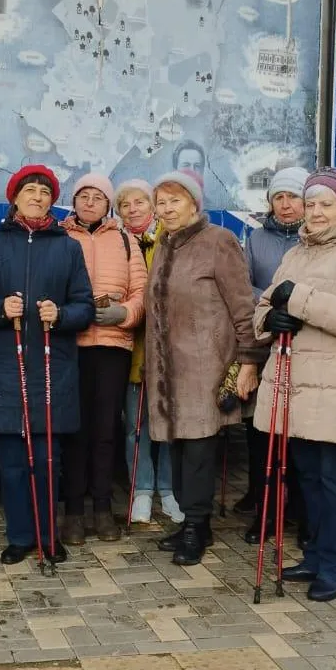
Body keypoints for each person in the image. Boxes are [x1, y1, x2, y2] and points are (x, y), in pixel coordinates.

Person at [253, 168, 336, 603]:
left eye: (325, 204)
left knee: (335, 480)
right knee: (308, 477)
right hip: (297, 385)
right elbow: (267, 302)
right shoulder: (298, 251)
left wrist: (297, 300)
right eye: (310, 204)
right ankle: (315, 555)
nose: (315, 212)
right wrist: (270, 320)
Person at [0, 165, 95, 565]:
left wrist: (62, 314)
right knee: (11, 464)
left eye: (45, 192)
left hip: (51, 368)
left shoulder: (68, 247)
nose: (38, 197)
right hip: (4, 368)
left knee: (47, 462)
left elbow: (85, 306)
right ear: (15, 198)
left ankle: (48, 536)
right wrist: (0, 309)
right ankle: (20, 537)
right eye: (30, 191)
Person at [145, 169, 261, 566]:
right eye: (160, 202)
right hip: (167, 369)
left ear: (194, 203)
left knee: (198, 448)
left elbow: (243, 306)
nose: (166, 209)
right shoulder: (164, 244)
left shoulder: (219, 241)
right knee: (178, 447)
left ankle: (196, 525)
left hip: (205, 368)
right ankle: (194, 522)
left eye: (174, 200)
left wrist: (248, 361)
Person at [59, 173, 147, 544]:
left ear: (108, 204)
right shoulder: (60, 237)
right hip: (71, 345)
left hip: (113, 346)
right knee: (75, 430)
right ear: (74, 201)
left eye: (98, 196)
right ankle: (73, 512)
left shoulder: (126, 240)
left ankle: (102, 508)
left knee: (106, 429)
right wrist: (70, 314)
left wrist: (124, 313)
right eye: (84, 195)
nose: (90, 202)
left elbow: (142, 292)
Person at [238, 167, 308, 545]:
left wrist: (296, 305)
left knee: (300, 431)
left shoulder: (313, 238)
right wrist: (268, 302)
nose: (285, 204)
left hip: (305, 343)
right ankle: (264, 508)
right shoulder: (257, 238)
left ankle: (298, 507)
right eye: (278, 197)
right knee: (261, 429)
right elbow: (243, 284)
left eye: (292, 196)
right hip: (266, 339)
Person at [115, 179, 183, 525]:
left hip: (169, 348)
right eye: (125, 205)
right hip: (131, 345)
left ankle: (168, 490)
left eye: (140, 202)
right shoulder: (117, 243)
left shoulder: (171, 240)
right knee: (135, 425)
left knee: (168, 423)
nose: (133, 210)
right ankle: (141, 489)